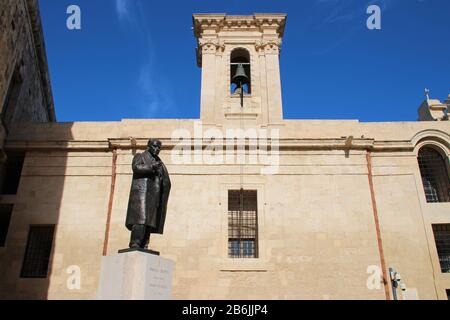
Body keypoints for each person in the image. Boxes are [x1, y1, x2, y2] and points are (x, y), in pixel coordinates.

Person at [125, 139, 171, 249]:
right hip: (141, 193)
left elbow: (165, 180)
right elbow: (136, 167)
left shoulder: (160, 162)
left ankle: (144, 243)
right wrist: (152, 167)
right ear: (148, 146)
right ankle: (135, 243)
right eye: (155, 147)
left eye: (159, 148)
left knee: (149, 221)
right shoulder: (140, 156)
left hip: (153, 195)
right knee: (140, 219)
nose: (157, 150)